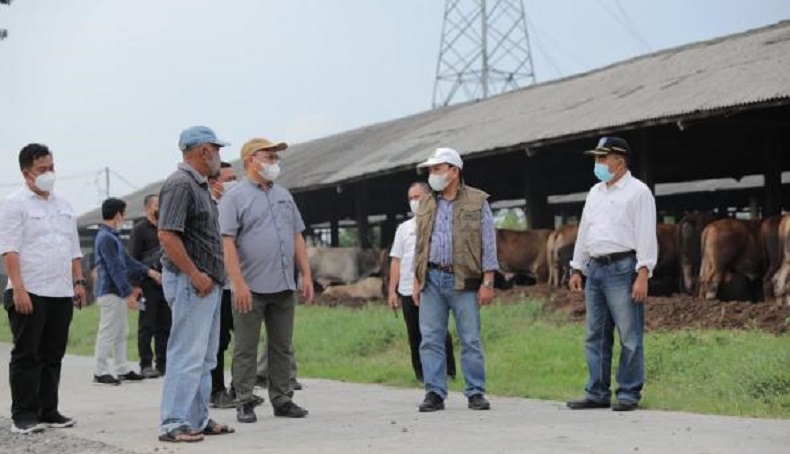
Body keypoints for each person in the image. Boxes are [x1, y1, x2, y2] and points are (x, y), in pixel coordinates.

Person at [220, 137, 314, 423]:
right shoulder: (234, 197)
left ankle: (282, 399)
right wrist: (238, 284)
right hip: (250, 287)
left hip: (284, 284)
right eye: (269, 157)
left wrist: (307, 275)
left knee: (282, 346)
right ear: (251, 160)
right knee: (246, 347)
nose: (274, 163)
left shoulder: (284, 195)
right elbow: (228, 243)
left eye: (276, 158)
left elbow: (297, 236)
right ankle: (244, 400)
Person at [0, 143, 87, 434]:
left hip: (61, 291)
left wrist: (79, 282)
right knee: (27, 354)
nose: (49, 173)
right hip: (30, 291)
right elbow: (9, 250)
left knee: (53, 354)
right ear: (27, 173)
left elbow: (74, 249)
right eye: (42, 169)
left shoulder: (64, 204)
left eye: (51, 167)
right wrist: (19, 289)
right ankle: (23, 415)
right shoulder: (15, 203)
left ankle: (48, 410)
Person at [566, 137, 657, 412]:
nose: (598, 163)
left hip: (622, 268)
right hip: (595, 269)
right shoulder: (595, 192)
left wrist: (643, 272)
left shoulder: (638, 192)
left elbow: (645, 234)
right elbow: (585, 231)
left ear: (620, 160)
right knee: (595, 334)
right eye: (597, 158)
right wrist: (577, 267)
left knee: (629, 334)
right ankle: (597, 392)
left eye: (603, 158)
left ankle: (628, 393)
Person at [157, 126, 235, 443]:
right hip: (193, 283)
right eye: (217, 150)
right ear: (204, 151)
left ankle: (197, 419)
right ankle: (173, 422)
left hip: (207, 284)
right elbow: (167, 235)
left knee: (205, 358)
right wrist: (195, 274)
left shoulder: (199, 186)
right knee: (186, 355)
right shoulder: (180, 185)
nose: (219, 157)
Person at [412, 147, 497, 412]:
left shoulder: (477, 201)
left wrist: (488, 281)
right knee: (431, 338)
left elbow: (488, 243)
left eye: (437, 169)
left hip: (465, 279)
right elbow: (420, 244)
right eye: (430, 170)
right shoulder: (426, 203)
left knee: (470, 338)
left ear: (454, 171)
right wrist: (417, 279)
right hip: (432, 278)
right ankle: (435, 392)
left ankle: (475, 392)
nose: (432, 174)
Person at [388, 181, 457, 383]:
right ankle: (421, 374)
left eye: (417, 197)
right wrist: (392, 291)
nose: (413, 202)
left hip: (432, 286)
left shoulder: (440, 223)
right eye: (410, 198)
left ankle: (449, 371)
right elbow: (396, 260)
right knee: (414, 333)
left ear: (428, 197)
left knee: (438, 330)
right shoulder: (404, 228)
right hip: (407, 288)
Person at [93, 197, 160, 385]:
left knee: (122, 331)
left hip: (116, 292)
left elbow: (127, 262)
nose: (124, 217)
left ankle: (122, 368)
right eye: (124, 213)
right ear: (117, 215)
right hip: (110, 292)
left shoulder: (111, 236)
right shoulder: (106, 238)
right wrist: (128, 293)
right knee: (107, 332)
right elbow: (115, 268)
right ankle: (100, 371)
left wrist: (149, 271)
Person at [208, 162, 243, 409]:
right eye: (228, 178)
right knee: (218, 342)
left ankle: (240, 388)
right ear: (214, 183)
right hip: (218, 286)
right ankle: (216, 390)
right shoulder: (208, 209)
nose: (234, 182)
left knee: (244, 339)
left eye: (235, 177)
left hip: (239, 285)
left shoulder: (240, 207)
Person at [128, 194, 171, 378]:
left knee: (166, 325)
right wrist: (136, 284)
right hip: (147, 285)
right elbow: (132, 259)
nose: (159, 208)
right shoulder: (140, 230)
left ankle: (163, 364)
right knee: (147, 325)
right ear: (147, 208)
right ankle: (145, 364)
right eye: (156, 205)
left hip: (167, 284)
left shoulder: (167, 227)